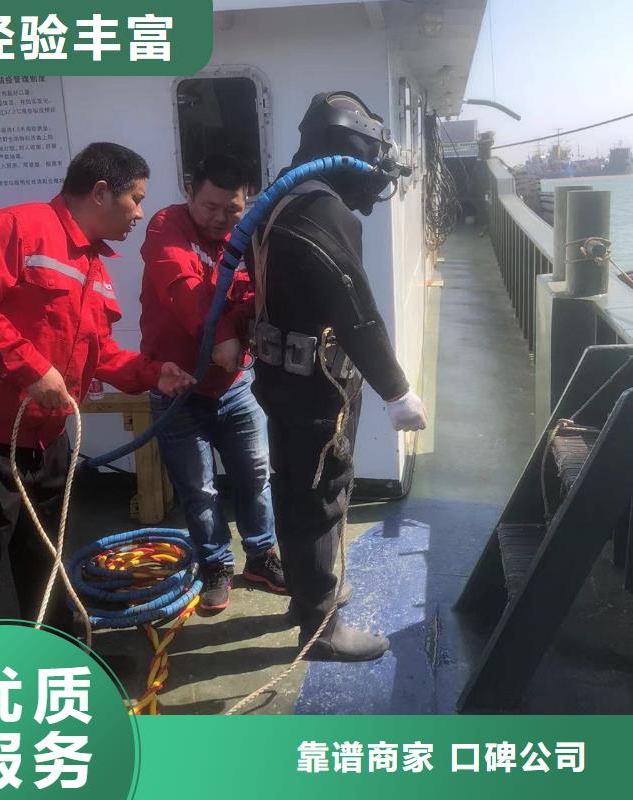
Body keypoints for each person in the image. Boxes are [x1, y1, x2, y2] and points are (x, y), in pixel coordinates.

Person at [0, 142, 195, 631]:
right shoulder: (16, 227)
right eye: (136, 199)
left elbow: (98, 352)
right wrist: (29, 369)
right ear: (101, 192)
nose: (140, 213)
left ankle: (59, 655)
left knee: (45, 560)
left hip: (49, 441)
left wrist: (153, 373)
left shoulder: (94, 267)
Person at [247, 92, 428, 661]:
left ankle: (309, 593)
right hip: (315, 387)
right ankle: (320, 628)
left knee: (295, 490)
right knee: (320, 496)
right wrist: (397, 391)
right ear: (351, 151)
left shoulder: (280, 197)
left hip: (281, 378)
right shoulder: (323, 210)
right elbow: (356, 312)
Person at [139, 155, 285, 614]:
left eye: (233, 209)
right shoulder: (167, 227)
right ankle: (216, 564)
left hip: (236, 384)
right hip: (177, 388)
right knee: (199, 488)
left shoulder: (250, 236)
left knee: (256, 474)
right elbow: (184, 287)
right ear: (189, 192)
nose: (221, 218)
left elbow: (259, 293)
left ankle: (261, 556)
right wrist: (221, 335)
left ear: (247, 203)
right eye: (210, 206)